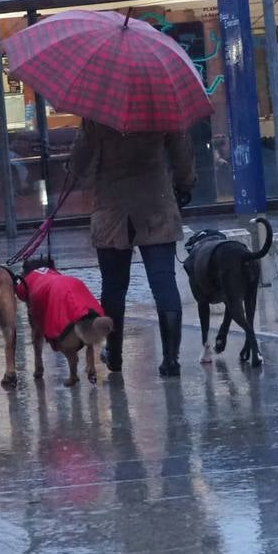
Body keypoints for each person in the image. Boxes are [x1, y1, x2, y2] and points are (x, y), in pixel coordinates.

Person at [69, 119, 196, 378]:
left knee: (114, 287)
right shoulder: (160, 106)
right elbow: (182, 155)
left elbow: (80, 164)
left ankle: (114, 356)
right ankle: (171, 359)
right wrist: (185, 184)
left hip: (111, 208)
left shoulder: (98, 112)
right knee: (164, 282)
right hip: (156, 206)